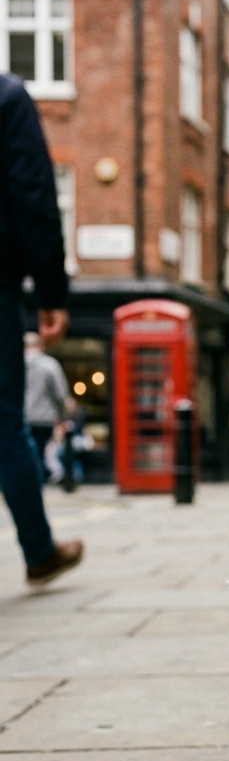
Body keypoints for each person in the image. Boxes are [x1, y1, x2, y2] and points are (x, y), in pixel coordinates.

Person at [0, 72, 84, 583]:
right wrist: (51, 292)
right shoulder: (7, 97)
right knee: (4, 425)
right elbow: (34, 196)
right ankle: (38, 550)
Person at [24, 331, 72, 479]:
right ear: (41, 345)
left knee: (20, 456)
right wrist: (62, 418)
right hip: (44, 420)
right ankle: (35, 490)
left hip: (17, 419)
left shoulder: (11, 364)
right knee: (39, 455)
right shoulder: (50, 364)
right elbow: (61, 396)